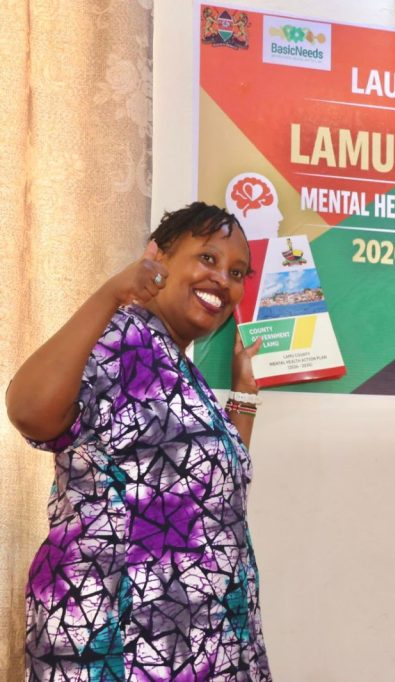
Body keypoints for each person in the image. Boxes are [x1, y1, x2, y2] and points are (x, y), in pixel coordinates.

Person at [6, 203, 272, 679]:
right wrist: (111, 292)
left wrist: (243, 393)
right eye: (207, 258)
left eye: (236, 273)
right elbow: (30, 412)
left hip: (193, 642)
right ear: (158, 256)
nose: (222, 280)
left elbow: (213, 492)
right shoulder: (123, 338)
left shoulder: (176, 365)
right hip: (122, 646)